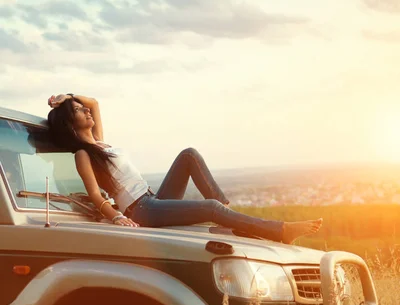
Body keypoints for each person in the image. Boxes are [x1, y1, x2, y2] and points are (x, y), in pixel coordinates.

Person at [47, 93, 322, 243]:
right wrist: (117, 217)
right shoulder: (83, 154)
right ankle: (280, 231)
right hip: (141, 210)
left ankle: (229, 216)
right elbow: (95, 195)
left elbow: (95, 101)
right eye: (78, 110)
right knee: (211, 207)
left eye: (83, 108)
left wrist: (67, 96)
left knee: (188, 155)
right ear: (72, 123)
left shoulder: (100, 142)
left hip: (153, 198)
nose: (86, 111)